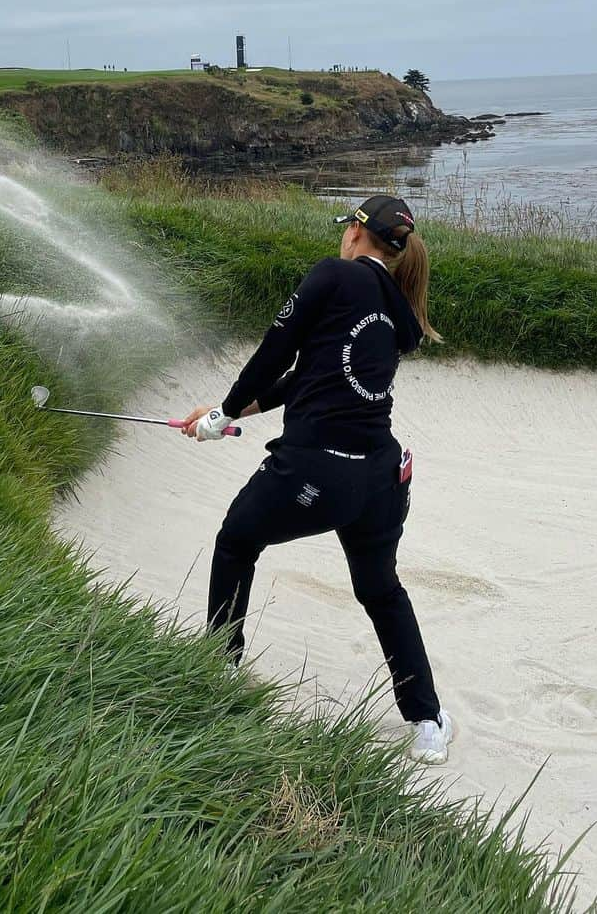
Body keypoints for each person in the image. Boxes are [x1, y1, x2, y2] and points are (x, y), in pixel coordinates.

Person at [181, 194, 452, 764]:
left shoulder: (334, 274)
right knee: (380, 590)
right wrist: (226, 415)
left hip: (315, 471)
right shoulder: (398, 312)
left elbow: (275, 353)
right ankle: (427, 720)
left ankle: (220, 668)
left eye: (346, 230)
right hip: (381, 478)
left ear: (357, 234)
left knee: (236, 541)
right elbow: (304, 380)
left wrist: (222, 414)